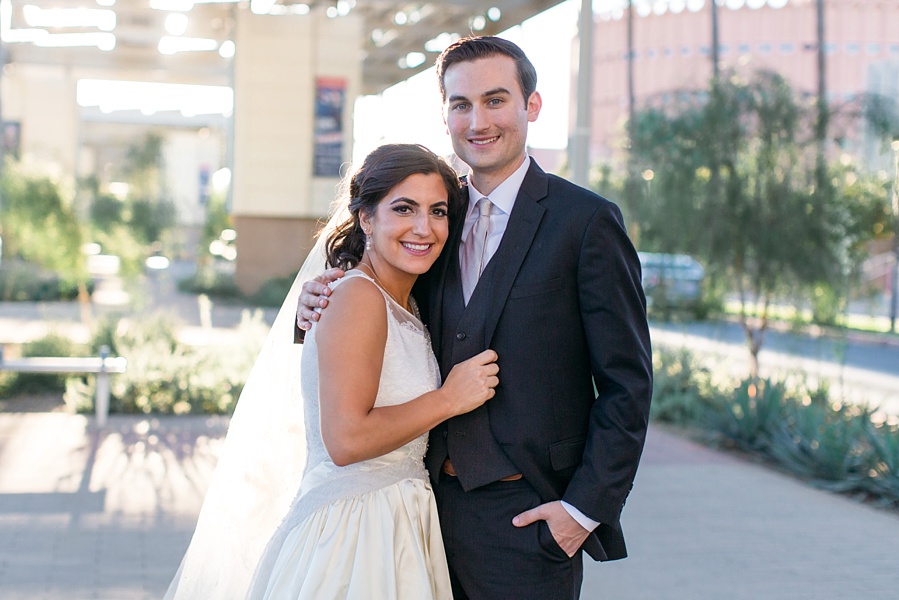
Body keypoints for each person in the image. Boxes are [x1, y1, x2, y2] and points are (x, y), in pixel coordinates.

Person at [296, 36, 653, 600]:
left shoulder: (585, 222)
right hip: (416, 516)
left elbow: (627, 383)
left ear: (530, 107)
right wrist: (314, 300)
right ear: (445, 117)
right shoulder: (434, 215)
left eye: (495, 100)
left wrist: (581, 512)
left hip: (527, 523)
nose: (478, 120)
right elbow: (379, 305)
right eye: (461, 104)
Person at [165, 143, 499, 600]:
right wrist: (448, 399)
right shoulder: (357, 298)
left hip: (398, 525)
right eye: (404, 208)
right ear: (366, 217)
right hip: (352, 535)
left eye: (437, 211)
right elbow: (345, 440)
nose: (424, 227)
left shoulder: (405, 302)